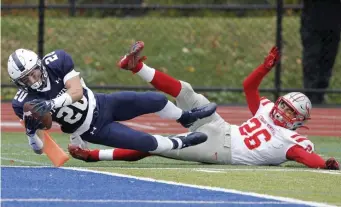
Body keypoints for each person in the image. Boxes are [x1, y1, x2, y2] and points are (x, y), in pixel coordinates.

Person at [68, 41, 339, 170]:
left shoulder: (290, 139)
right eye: (284, 104)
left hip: (220, 150)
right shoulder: (266, 109)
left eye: (291, 111)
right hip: (220, 127)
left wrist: (325, 163)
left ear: (298, 119)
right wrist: (264, 67)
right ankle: (136, 65)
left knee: (158, 145)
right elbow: (249, 87)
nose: (283, 110)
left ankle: (93, 156)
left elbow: (305, 157)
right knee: (186, 91)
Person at [8, 48, 217, 156]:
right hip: (92, 129)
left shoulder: (56, 61)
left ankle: (185, 118)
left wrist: (52, 104)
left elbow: (77, 91)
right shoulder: (23, 102)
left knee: (155, 99)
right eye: (26, 80)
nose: (33, 81)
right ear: (19, 83)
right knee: (146, 143)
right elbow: (39, 147)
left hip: (104, 103)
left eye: (34, 73)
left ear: (39, 64)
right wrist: (30, 133)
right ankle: (179, 143)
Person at [301, 0, 341, 104]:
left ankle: (320, 94)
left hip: (333, 23)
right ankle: (310, 94)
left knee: (328, 59)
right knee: (312, 58)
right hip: (312, 22)